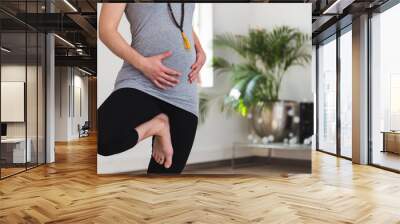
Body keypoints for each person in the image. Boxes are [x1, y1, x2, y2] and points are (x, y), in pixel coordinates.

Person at [98, 3, 206, 174]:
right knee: (102, 139)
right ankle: (158, 126)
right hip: (141, 82)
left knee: (165, 181)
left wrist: (199, 48)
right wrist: (144, 65)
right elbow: (106, 30)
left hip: (184, 91)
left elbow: (179, 18)